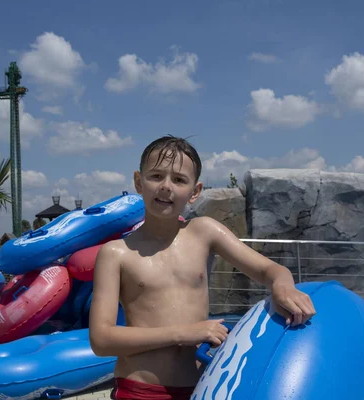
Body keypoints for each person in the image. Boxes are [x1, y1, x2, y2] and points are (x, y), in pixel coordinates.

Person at [89, 135, 317, 400]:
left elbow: (271, 271)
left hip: (202, 388)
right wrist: (183, 333)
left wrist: (283, 287)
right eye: (156, 176)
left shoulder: (204, 232)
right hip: (140, 390)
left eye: (178, 179)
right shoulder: (116, 253)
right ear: (139, 182)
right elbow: (101, 339)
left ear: (195, 192)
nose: (166, 186)